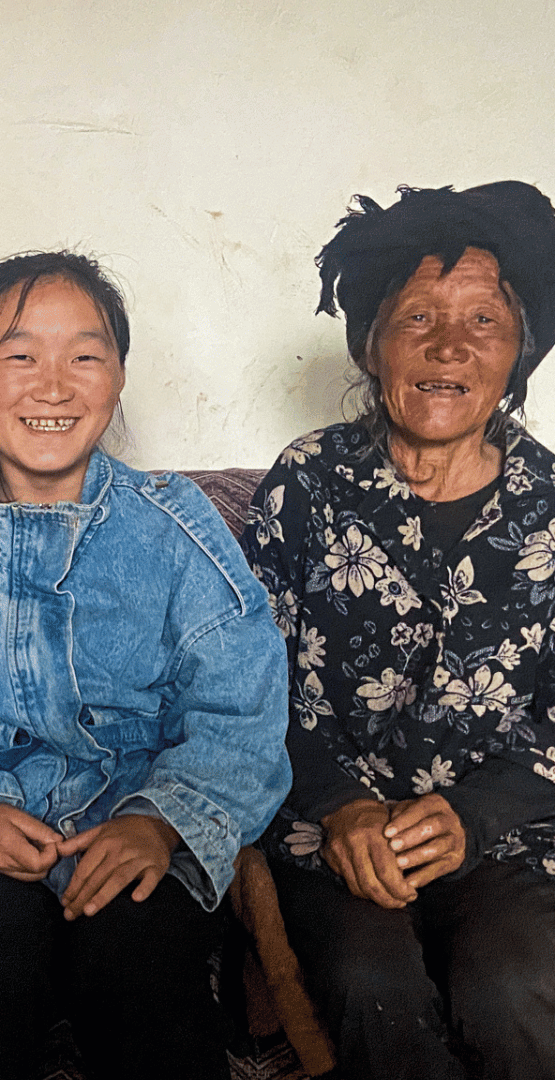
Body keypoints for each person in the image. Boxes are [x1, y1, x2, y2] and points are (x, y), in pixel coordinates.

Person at [0, 250, 291, 1080]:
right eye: (19, 356)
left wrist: (158, 822)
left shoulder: (177, 530)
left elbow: (242, 711)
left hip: (136, 825)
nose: (53, 386)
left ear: (118, 378)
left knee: (142, 975)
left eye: (84, 355)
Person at [241, 182, 555, 1080]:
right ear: (370, 344)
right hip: (333, 833)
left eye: (484, 321)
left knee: (516, 985)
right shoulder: (308, 482)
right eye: (418, 317)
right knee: (368, 983)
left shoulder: (552, 506)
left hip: (508, 837)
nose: (449, 345)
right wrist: (341, 806)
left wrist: (472, 815)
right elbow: (245, 679)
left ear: (519, 354)